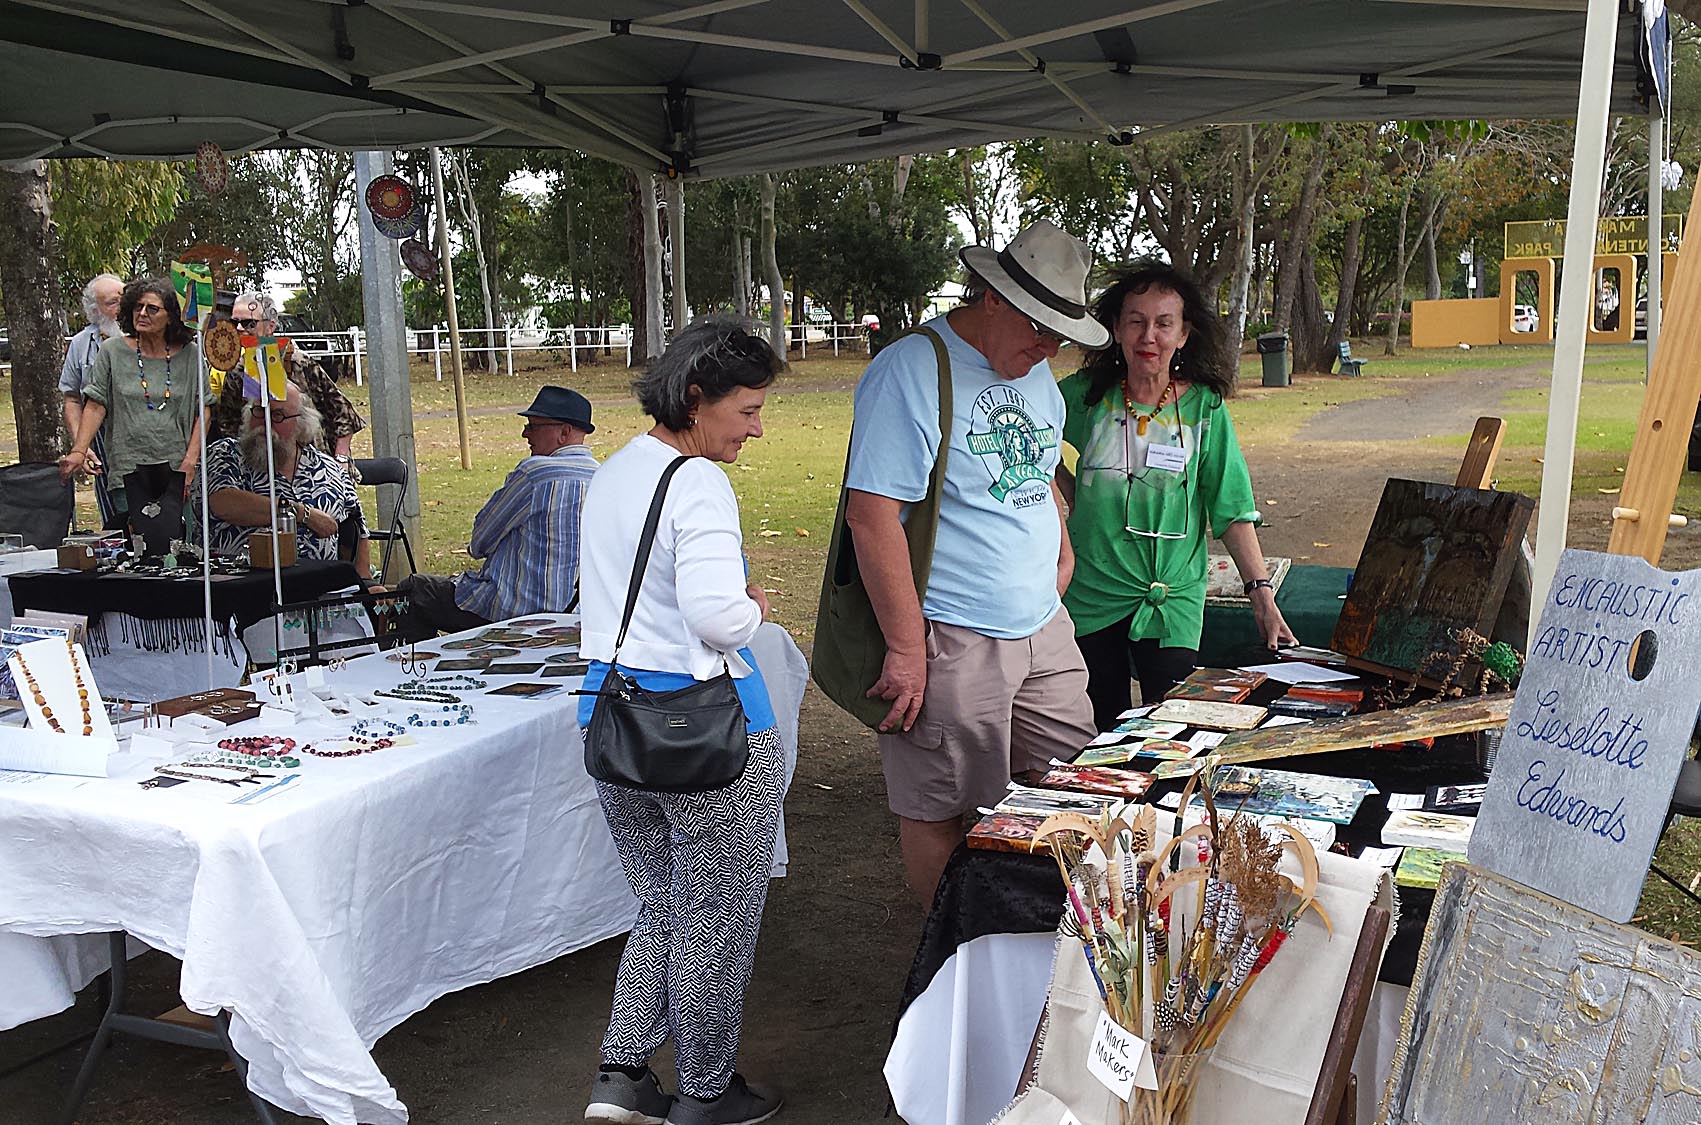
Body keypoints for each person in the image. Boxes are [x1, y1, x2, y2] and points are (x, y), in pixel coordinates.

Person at [840, 219, 1103, 908]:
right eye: (1038, 327)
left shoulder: (1036, 371)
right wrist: (907, 649)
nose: (1048, 348)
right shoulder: (912, 369)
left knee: (1073, 792)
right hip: (951, 634)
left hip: (1042, 627)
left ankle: (1048, 940)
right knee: (942, 806)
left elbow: (1039, 471)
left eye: (1061, 335)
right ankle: (950, 949)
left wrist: (1061, 547)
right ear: (991, 297)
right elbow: (872, 516)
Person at [578, 318, 785, 1125]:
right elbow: (715, 616)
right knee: (713, 922)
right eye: (748, 410)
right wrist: (753, 606)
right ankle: (705, 1090)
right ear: (696, 398)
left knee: (663, 904)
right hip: (706, 733)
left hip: (611, 715)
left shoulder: (615, 470)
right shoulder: (696, 481)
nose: (756, 428)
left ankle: (622, 1075)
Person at [1057, 261, 1296, 731]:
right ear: (1115, 330)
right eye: (1136, 321)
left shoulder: (1204, 407)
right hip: (1093, 590)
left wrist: (1261, 594)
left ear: (1183, 334)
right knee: (1101, 726)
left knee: (1171, 728)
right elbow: (1028, 439)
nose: (1149, 336)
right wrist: (1066, 487)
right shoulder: (1084, 397)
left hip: (1173, 597)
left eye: (1163, 323)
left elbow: (1231, 508)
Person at [396, 386, 598, 637]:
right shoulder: (603, 477)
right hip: (578, 615)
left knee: (413, 591)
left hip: (517, 612)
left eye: (533, 426)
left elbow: (479, 542)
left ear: (564, 432)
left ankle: (414, 662)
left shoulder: (535, 474)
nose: (525, 434)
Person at [58, 277, 208, 525]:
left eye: (152, 308)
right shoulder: (112, 351)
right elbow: (95, 404)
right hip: (128, 468)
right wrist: (79, 450)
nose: (143, 313)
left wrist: (190, 463)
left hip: (176, 468)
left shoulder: (190, 354)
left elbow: (204, 410)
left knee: (178, 543)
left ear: (171, 317)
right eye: (138, 307)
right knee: (135, 541)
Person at [202, 382, 372, 577]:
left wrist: (366, 583)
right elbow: (223, 503)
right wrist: (300, 513)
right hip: (243, 586)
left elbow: (358, 529)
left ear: (301, 423)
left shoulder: (329, 470)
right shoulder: (226, 454)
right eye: (259, 411)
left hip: (320, 588)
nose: (265, 423)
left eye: (277, 415)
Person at [209, 292, 365, 462]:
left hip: (310, 464)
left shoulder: (298, 363)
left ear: (270, 326)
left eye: (249, 323)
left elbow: (344, 414)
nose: (239, 329)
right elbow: (229, 425)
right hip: (259, 466)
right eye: (234, 322)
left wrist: (341, 459)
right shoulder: (236, 371)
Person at [59, 273, 125, 526]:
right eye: (112, 302)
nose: (122, 307)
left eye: (124, 298)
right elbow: (72, 398)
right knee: (114, 517)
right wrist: (82, 445)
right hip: (100, 435)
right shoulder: (80, 344)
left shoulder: (147, 338)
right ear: (94, 310)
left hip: (145, 434)